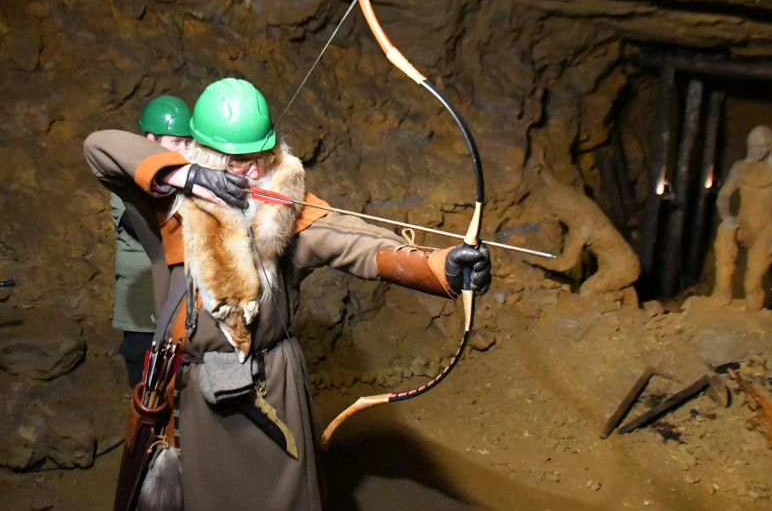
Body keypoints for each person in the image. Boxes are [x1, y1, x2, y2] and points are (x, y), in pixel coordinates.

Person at [84, 77, 491, 510]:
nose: (256, 171)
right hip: (194, 396)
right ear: (204, 154)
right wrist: (185, 175)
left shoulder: (285, 206)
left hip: (273, 386)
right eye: (239, 162)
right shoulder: (167, 207)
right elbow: (99, 148)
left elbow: (358, 242)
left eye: (262, 155)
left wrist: (440, 266)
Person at [112, 95, 195, 386]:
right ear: (150, 139)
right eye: (175, 142)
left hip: (180, 318)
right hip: (142, 320)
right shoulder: (125, 180)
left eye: (188, 143)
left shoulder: (185, 183)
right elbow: (147, 227)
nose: (183, 150)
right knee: (147, 409)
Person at [525, 171, 640, 307]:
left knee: (587, 291)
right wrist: (543, 172)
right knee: (597, 285)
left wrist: (535, 259)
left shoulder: (581, 228)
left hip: (622, 267)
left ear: (566, 211)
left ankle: (618, 298)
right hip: (624, 260)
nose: (555, 217)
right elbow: (560, 189)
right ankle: (622, 290)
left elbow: (565, 264)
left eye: (555, 212)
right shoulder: (582, 204)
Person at [711, 125, 772, 310]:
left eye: (762, 146)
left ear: (769, 146)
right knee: (725, 232)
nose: (757, 150)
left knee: (753, 279)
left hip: (765, 230)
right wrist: (727, 216)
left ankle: (753, 306)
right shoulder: (740, 168)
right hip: (744, 224)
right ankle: (722, 292)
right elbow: (723, 195)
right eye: (754, 146)